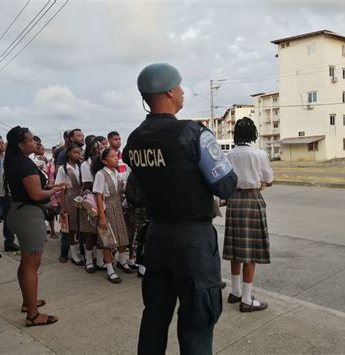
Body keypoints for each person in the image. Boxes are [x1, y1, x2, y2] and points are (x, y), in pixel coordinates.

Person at [123, 63, 237, 355]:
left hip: (157, 237)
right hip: (193, 240)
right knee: (197, 321)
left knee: (155, 317)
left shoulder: (134, 140)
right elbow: (226, 186)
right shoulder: (192, 132)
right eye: (181, 86)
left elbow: (135, 191)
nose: (184, 91)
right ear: (170, 91)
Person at [4, 126, 65, 327]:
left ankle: (27, 301)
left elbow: (31, 190)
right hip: (29, 216)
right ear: (21, 145)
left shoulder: (17, 161)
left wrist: (47, 189)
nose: (35, 143)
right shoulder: (23, 164)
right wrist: (54, 190)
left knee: (25, 262)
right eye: (31, 141)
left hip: (19, 212)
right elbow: (36, 195)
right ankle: (33, 314)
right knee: (32, 265)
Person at [222, 117, 273, 313]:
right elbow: (268, 179)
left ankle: (235, 292)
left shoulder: (229, 155)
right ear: (253, 134)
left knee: (236, 249)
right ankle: (246, 298)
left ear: (235, 134)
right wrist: (262, 183)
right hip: (252, 201)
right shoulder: (259, 154)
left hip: (234, 202)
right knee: (249, 252)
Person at [92, 147, 135, 284]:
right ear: (104, 161)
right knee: (108, 240)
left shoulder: (117, 173)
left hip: (118, 206)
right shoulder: (101, 174)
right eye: (112, 156)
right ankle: (110, 269)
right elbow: (98, 196)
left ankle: (122, 261)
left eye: (116, 156)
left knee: (122, 236)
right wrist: (102, 216)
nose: (116, 158)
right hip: (107, 208)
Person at [55, 144, 90, 266]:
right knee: (71, 228)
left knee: (83, 227)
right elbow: (60, 188)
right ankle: (73, 255)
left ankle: (85, 253)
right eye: (75, 152)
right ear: (69, 153)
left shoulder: (81, 167)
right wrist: (62, 206)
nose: (78, 155)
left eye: (79, 153)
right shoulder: (63, 169)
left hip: (81, 198)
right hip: (69, 198)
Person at [81, 138, 104, 272]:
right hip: (92, 198)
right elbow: (87, 184)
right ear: (93, 149)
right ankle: (89, 260)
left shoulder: (100, 163)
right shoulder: (86, 165)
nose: (101, 150)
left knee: (101, 232)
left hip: (102, 197)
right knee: (90, 232)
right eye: (99, 148)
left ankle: (100, 260)